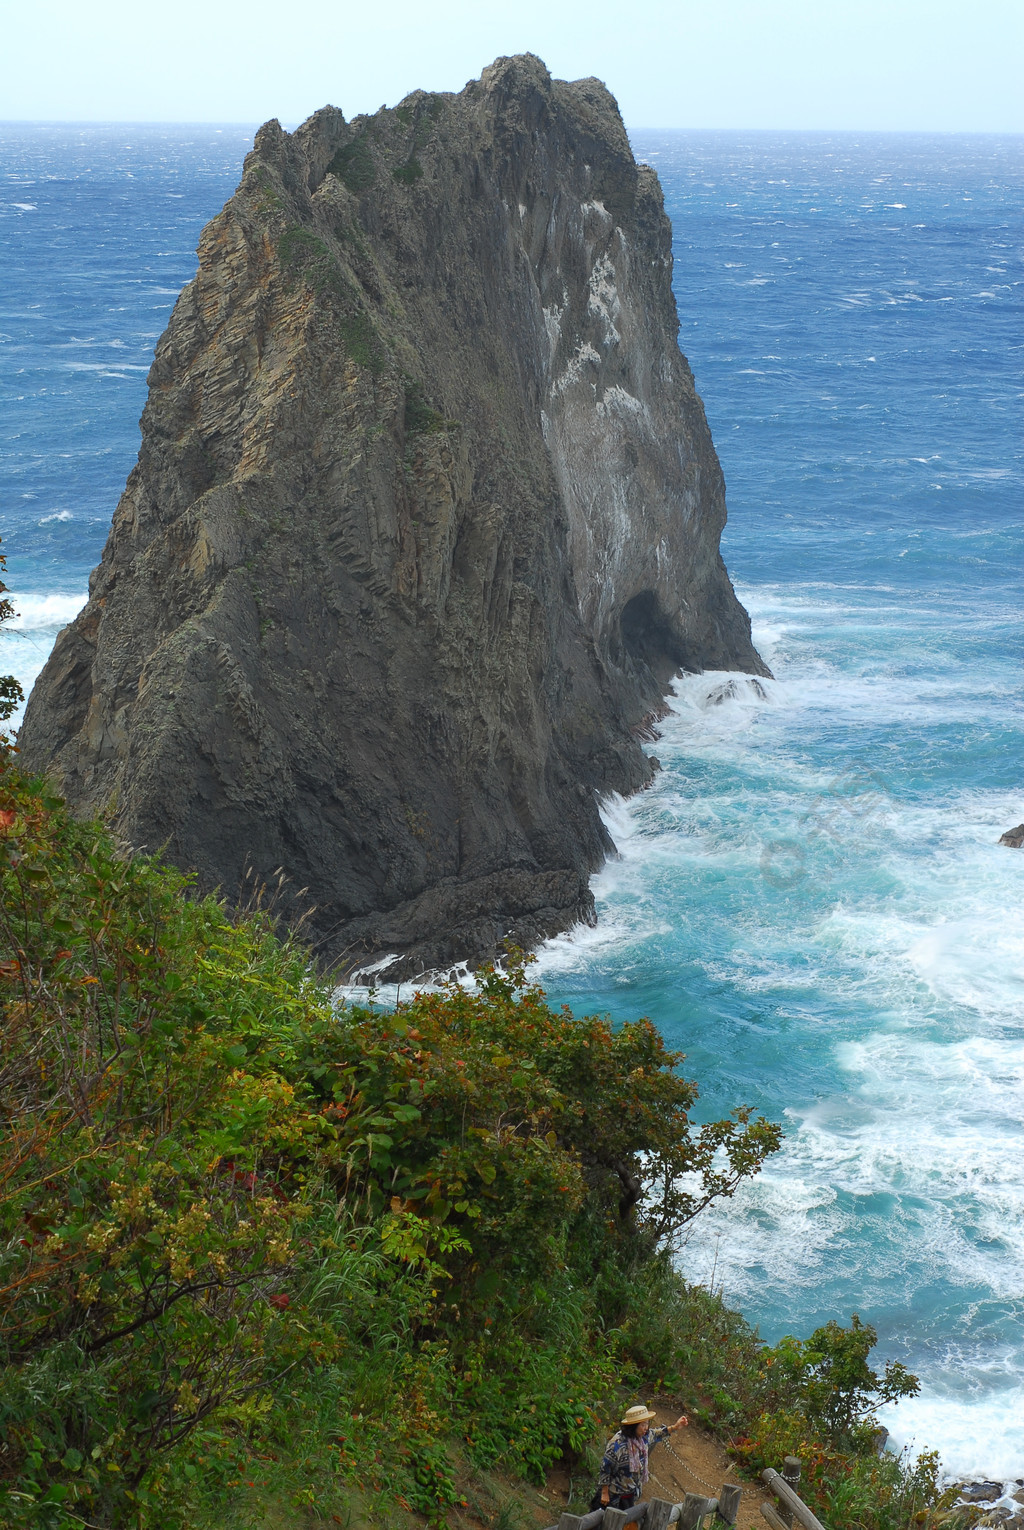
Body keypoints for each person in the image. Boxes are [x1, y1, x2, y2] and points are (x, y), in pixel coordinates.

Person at [590, 1403, 689, 1511]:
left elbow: (657, 1434)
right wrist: (604, 1493)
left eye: (647, 1424)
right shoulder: (617, 1443)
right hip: (613, 1495)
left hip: (630, 1494)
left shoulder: (643, 1438)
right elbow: (606, 1467)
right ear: (633, 1426)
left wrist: (675, 1427)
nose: (645, 1428)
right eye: (642, 1425)